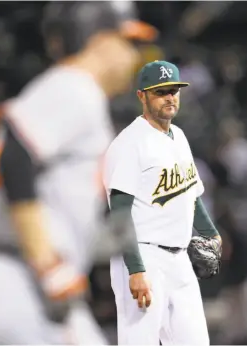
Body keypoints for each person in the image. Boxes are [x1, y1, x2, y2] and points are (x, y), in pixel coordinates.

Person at [0, 2, 158, 345]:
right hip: (17, 287)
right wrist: (47, 264)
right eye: (127, 42)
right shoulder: (76, 88)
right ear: (101, 41)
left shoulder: (67, 92)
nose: (133, 55)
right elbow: (15, 155)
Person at [103, 60, 222, 345]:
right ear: (142, 96)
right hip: (144, 256)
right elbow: (119, 216)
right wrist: (135, 270)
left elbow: (190, 194)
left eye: (174, 90)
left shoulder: (178, 136)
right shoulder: (129, 144)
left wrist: (210, 233)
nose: (170, 97)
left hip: (180, 259)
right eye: (160, 91)